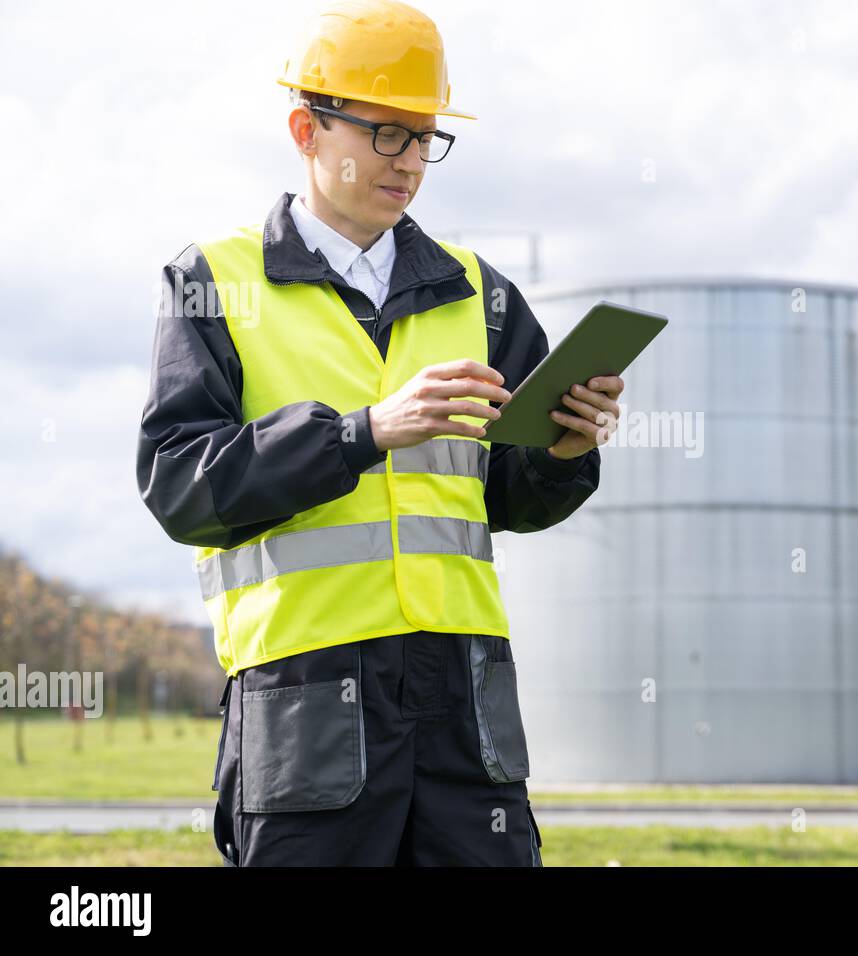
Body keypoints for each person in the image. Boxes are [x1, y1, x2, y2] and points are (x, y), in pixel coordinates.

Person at [135, 0, 623, 866]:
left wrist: (564, 453)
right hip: (307, 698)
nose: (410, 163)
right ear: (306, 128)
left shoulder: (484, 293)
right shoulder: (214, 280)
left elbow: (505, 495)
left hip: (465, 704)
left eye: (425, 138)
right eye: (385, 134)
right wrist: (361, 434)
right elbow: (180, 487)